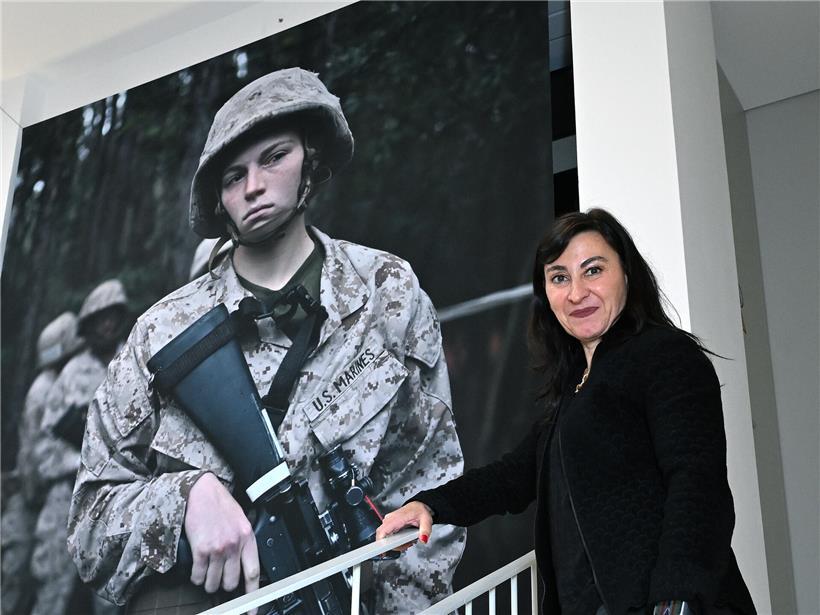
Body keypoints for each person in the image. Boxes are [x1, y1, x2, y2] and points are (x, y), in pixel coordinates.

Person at [68, 67, 465, 614]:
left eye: (273, 157)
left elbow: (426, 492)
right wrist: (183, 500)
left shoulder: (386, 295)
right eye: (233, 176)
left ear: (312, 160)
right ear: (218, 198)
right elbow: (89, 526)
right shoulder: (163, 331)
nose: (252, 186)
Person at [377, 209, 757, 615]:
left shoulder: (664, 356)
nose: (576, 293)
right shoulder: (576, 388)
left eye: (592, 271)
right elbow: (512, 476)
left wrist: (675, 602)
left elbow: (697, 486)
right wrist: (431, 505)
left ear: (626, 274)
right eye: (560, 277)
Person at [33, 280, 129, 615]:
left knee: (111, 598)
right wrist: (83, 460)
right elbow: (43, 447)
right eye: (99, 318)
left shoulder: (133, 359)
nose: (107, 324)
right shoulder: (71, 374)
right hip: (67, 497)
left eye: (112, 315)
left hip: (119, 498)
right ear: (87, 325)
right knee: (54, 595)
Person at [0, 312, 84, 615]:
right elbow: (34, 453)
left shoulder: (60, 383)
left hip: (44, 491)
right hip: (34, 493)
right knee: (18, 575)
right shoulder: (46, 389)